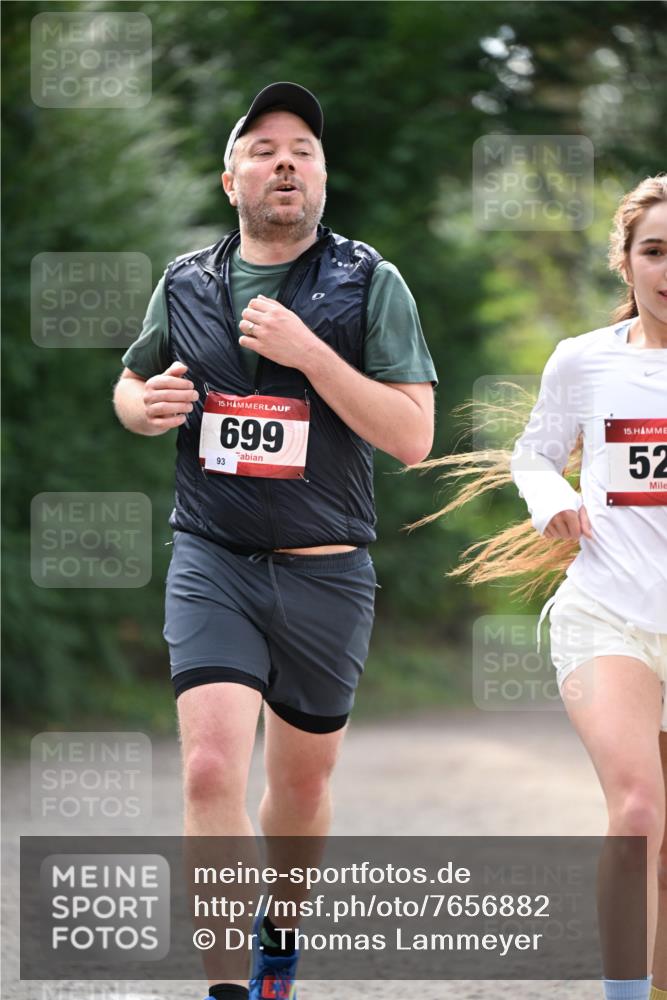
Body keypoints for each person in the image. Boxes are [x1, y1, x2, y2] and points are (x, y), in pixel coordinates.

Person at [113, 82, 436, 1000]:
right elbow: (132, 389)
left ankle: (279, 944)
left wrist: (309, 354)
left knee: (296, 790)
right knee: (212, 762)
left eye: (302, 148)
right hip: (212, 557)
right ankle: (224, 990)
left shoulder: (370, 281)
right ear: (230, 179)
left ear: (323, 176)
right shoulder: (185, 282)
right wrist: (146, 408)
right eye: (262, 148)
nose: (284, 160)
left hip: (324, 574)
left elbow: (411, 436)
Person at [412, 175, 667, 1000]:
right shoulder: (583, 361)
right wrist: (553, 497)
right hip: (606, 614)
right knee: (636, 813)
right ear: (624, 264)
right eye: (653, 251)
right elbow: (531, 453)